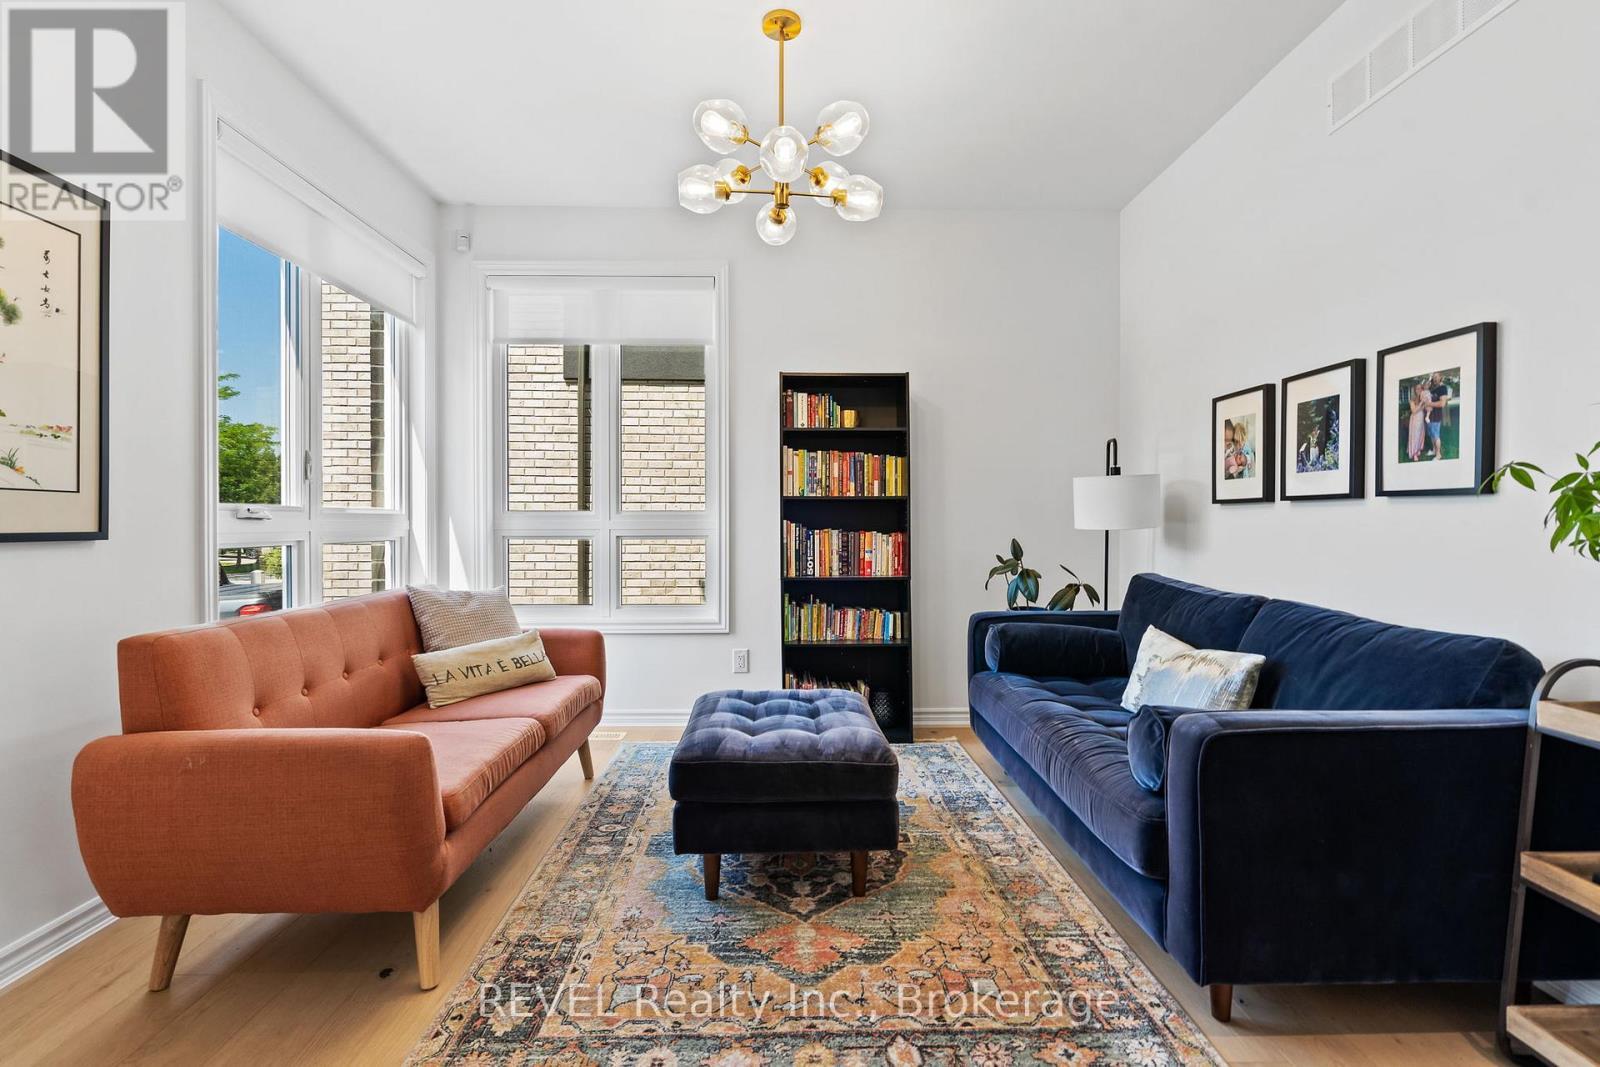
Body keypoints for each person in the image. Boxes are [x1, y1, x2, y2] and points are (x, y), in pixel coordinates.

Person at [1426, 371, 1452, 460]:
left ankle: (1438, 454)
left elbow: (1442, 403)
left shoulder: (1442, 388)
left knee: (1436, 435)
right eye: (1433, 377)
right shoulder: (1433, 389)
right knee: (1431, 434)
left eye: (1436, 376)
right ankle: (1434, 450)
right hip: (1429, 417)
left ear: (1440, 377)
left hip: (1436, 416)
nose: (1435, 378)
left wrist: (1429, 403)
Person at [1407, 380, 1428, 462]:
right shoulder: (1412, 399)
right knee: (1415, 436)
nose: (1419, 390)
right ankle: (1414, 453)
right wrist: (1421, 403)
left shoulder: (1422, 398)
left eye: (1420, 388)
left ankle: (1418, 448)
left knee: (1420, 435)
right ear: (1414, 390)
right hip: (1415, 419)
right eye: (1417, 389)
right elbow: (1414, 411)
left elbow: (1425, 408)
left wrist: (1424, 402)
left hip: (1421, 419)